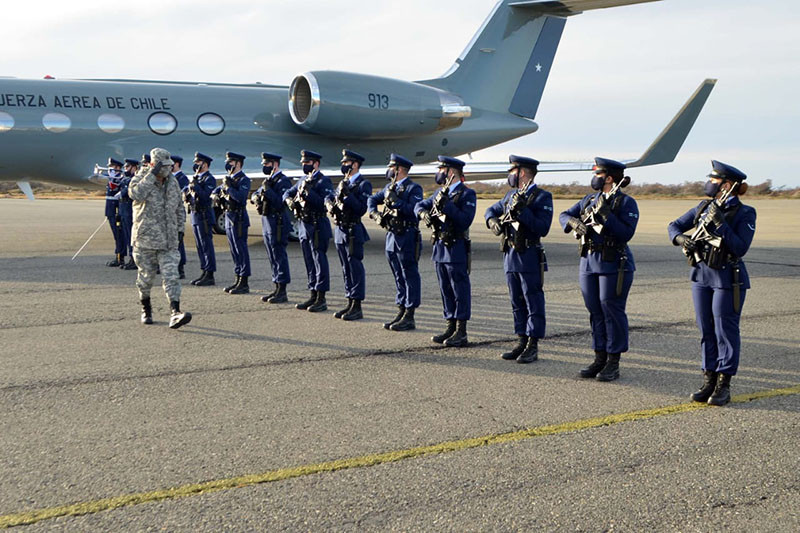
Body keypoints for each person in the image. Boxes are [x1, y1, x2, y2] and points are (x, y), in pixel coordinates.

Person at [667, 161, 756, 406]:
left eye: (714, 180)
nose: (709, 183)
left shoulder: (745, 213)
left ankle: (724, 384)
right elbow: (673, 226)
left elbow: (740, 247)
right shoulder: (703, 206)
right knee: (706, 329)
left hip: (727, 278)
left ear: (727, 185)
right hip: (701, 276)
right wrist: (681, 238)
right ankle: (708, 379)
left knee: (725, 331)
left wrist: (721, 224)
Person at [559, 157, 638, 382]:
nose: (594, 178)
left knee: (611, 309)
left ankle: (614, 360)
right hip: (588, 260)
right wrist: (573, 223)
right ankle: (599, 355)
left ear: (609, 178)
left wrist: (607, 215)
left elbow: (626, 233)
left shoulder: (625, 203)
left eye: (598, 174)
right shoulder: (589, 199)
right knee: (594, 310)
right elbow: (565, 214)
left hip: (613, 262)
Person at [484, 155, 553, 362]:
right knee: (516, 301)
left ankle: (533, 344)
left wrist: (523, 211)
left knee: (533, 300)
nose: (510, 175)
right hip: (510, 255)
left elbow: (542, 227)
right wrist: (492, 221)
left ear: (522, 173)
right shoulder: (510, 195)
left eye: (513, 171)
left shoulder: (542, 197)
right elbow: (491, 210)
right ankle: (521, 340)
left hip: (529, 255)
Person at [415, 156, 476, 346]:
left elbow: (464, 220)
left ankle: (461, 330)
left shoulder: (466, 194)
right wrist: (423, 213)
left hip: (455, 247)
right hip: (439, 247)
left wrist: (447, 205)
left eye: (442, 169)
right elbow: (419, 205)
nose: (439, 173)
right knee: (445, 289)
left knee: (460, 289)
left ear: (451, 172)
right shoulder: (440, 192)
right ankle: (450, 325)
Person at [127, 148, 191, 329]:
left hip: (169, 241)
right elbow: (135, 194)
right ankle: (146, 308)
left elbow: (179, 206)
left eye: (170, 166)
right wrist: (151, 176)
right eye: (164, 166)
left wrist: (179, 229)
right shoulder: (141, 178)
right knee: (146, 279)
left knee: (172, 276)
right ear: (154, 165)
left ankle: (175, 312)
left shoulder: (173, 182)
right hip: (145, 239)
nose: (168, 170)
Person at [367, 154, 423, 331]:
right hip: (392, 236)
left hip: (407, 236)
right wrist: (375, 214)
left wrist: (396, 201)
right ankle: (401, 309)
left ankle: (410, 314)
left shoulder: (413, 188)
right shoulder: (388, 187)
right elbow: (372, 200)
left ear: (399, 170)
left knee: (409, 275)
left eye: (392, 167)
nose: (389, 170)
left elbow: (414, 210)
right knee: (398, 275)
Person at [283, 150, 334, 312]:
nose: (304, 165)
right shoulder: (303, 179)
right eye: (303, 163)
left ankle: (321, 297)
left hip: (317, 224)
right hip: (304, 225)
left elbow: (322, 203)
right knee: (309, 261)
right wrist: (289, 200)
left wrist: (308, 193)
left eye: (308, 163)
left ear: (316, 164)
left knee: (319, 261)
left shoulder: (323, 181)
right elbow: (287, 192)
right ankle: (312, 293)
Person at [326, 149, 372, 321]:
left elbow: (361, 209)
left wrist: (347, 196)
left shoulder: (363, 184)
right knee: (346, 268)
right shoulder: (342, 182)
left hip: (353, 230)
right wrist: (331, 203)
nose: (343, 166)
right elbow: (333, 199)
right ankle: (350, 300)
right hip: (340, 229)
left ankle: (357, 305)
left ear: (355, 165)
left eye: (346, 163)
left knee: (355, 268)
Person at [251, 152, 292, 303]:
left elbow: (280, 202)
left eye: (267, 164)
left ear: (275, 164)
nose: (265, 167)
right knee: (272, 256)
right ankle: (276, 286)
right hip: (267, 222)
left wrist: (268, 190)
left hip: (278, 223)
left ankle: (282, 290)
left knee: (279, 256)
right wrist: (257, 196)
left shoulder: (283, 181)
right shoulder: (268, 180)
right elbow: (256, 194)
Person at [214, 152, 252, 295]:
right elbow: (215, 192)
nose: (228, 164)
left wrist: (229, 188)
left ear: (238, 163)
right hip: (229, 217)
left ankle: (244, 282)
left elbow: (241, 198)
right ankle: (237, 278)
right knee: (234, 251)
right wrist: (216, 193)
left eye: (231, 162)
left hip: (239, 219)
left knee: (241, 250)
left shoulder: (244, 180)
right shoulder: (228, 179)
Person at [184, 152, 217, 286]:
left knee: (206, 245)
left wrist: (196, 185)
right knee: (200, 246)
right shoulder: (196, 178)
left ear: (205, 164)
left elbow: (204, 196)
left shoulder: (209, 179)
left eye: (198, 163)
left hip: (204, 216)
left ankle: (210, 274)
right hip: (195, 215)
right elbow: (191, 195)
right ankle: (204, 270)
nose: (196, 165)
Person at [117, 158, 140, 271]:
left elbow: (128, 190)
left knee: (132, 236)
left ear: (134, 167)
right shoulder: (126, 179)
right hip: (124, 209)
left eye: (128, 167)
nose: (125, 169)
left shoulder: (134, 179)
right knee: (127, 235)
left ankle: (134, 258)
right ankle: (131, 257)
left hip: (130, 210)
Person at [104, 157, 124, 267]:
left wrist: (118, 213)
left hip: (116, 211)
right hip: (110, 211)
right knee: (116, 235)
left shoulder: (119, 179)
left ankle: (120, 256)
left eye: (113, 167)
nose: (110, 169)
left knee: (119, 235)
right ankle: (118, 255)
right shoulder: (111, 179)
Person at [172, 155, 189, 280]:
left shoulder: (182, 178)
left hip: (177, 214)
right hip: (169, 214)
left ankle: (180, 268)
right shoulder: (170, 178)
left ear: (176, 164)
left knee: (178, 241)